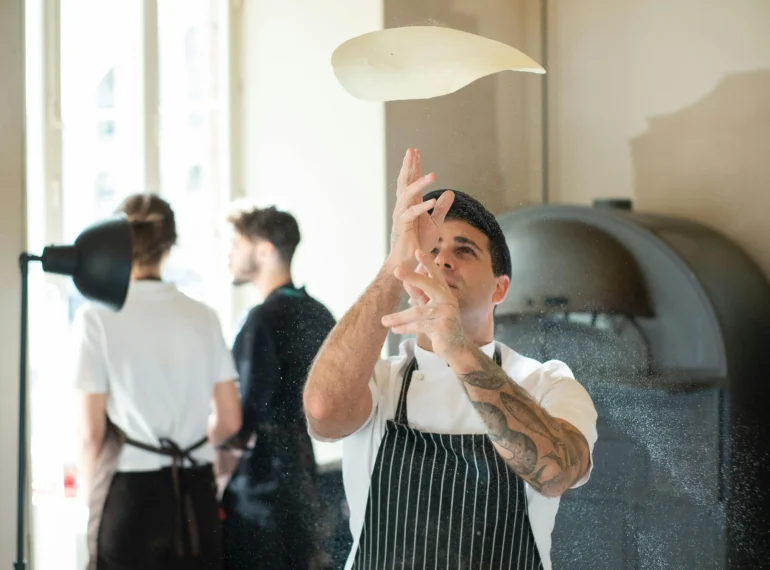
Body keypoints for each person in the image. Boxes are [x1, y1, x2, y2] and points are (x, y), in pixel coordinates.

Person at [303, 148, 598, 570]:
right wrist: (396, 262)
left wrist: (455, 345)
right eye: (431, 250)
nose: (442, 260)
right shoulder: (379, 382)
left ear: (500, 289)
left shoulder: (547, 383)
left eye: (464, 251)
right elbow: (323, 413)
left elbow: (557, 472)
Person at [72, 193, 242, 570]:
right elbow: (230, 420)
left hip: (129, 494)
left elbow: (91, 433)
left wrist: (88, 498)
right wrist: (190, 444)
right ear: (171, 244)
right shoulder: (204, 317)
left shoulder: (97, 319)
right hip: (195, 496)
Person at [220, 202, 337, 570]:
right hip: (304, 485)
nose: (230, 255)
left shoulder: (260, 321)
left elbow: (244, 416)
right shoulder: (320, 314)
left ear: (265, 250)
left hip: (259, 493)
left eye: (237, 245)